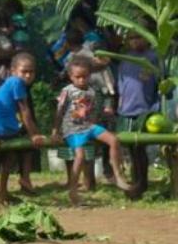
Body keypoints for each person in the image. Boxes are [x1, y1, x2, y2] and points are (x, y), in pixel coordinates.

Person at [52, 56, 130, 205]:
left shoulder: (92, 91)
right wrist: (55, 131)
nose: (82, 80)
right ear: (71, 76)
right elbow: (59, 111)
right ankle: (73, 190)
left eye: (85, 76)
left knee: (113, 140)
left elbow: (93, 112)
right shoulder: (67, 91)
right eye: (78, 77)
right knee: (80, 156)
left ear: (89, 76)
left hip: (89, 126)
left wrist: (98, 123)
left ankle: (118, 175)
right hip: (72, 128)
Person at [0, 53, 45, 204]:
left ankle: (0, 192)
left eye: (31, 72)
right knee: (14, 153)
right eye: (24, 71)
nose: (28, 75)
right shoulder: (16, 82)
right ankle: (5, 190)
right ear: (13, 71)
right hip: (0, 128)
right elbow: (24, 111)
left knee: (7, 156)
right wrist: (34, 135)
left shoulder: (10, 83)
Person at [117, 28, 159, 199]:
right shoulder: (125, 59)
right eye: (131, 38)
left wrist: (156, 107)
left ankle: (141, 183)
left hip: (145, 110)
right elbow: (121, 85)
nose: (135, 41)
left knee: (140, 148)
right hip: (126, 111)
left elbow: (160, 84)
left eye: (138, 37)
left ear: (147, 38)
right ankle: (135, 182)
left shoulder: (154, 58)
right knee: (131, 149)